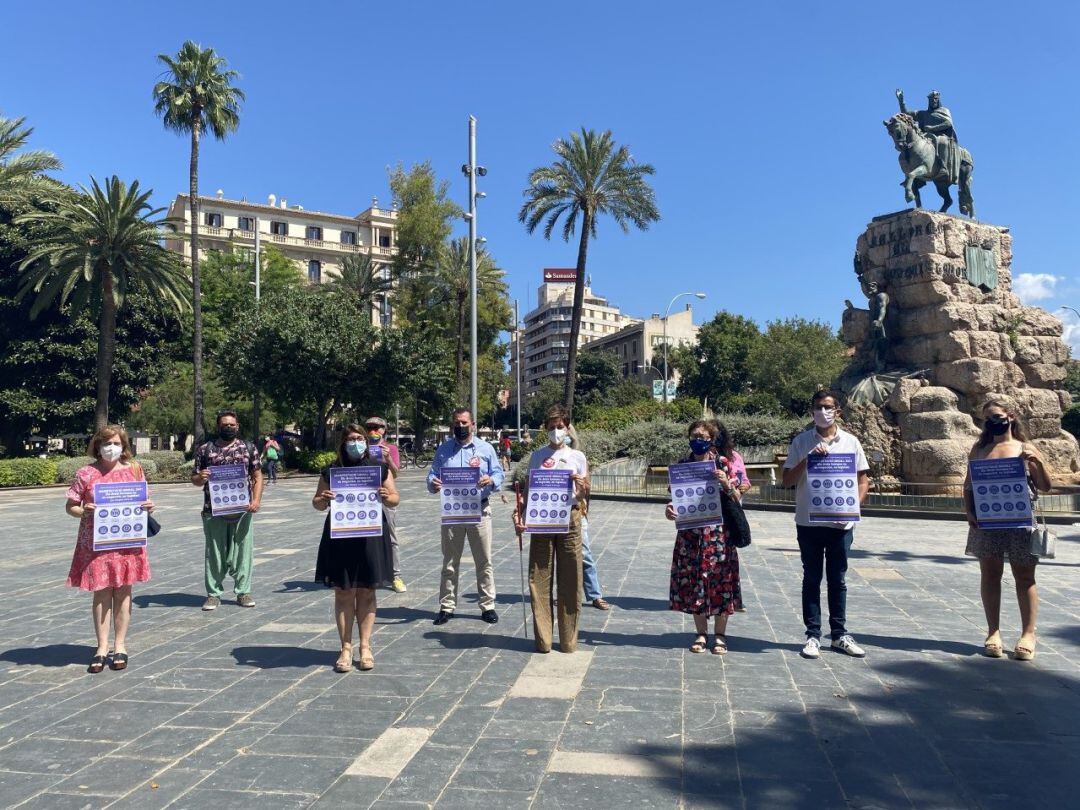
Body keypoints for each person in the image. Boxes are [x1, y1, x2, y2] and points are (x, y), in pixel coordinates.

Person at [782, 390, 870, 659]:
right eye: (818, 407)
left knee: (838, 579)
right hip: (809, 522)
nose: (823, 411)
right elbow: (786, 481)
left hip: (841, 523)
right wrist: (807, 459)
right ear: (812, 411)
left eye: (827, 407)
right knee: (811, 578)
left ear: (838, 411)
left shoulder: (851, 442)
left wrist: (854, 506)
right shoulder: (801, 441)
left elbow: (863, 480)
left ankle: (840, 634)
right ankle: (812, 635)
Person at [963, 400, 1052, 661]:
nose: (992, 422)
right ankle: (993, 631)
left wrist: (1036, 461)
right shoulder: (980, 448)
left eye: (996, 416)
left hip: (1020, 520)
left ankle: (1028, 634)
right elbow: (969, 484)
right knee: (990, 574)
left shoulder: (1025, 448)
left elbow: (1046, 486)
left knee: (1025, 577)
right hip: (987, 521)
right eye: (986, 418)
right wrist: (969, 511)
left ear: (1010, 417)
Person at [65, 425, 154, 673]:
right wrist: (83, 511)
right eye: (106, 443)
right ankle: (101, 647)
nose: (111, 448)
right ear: (97, 446)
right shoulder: (86, 473)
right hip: (96, 542)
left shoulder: (134, 471)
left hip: (127, 542)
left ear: (124, 446)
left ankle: (120, 645)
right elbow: (70, 505)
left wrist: (148, 506)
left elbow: (145, 501)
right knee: (101, 593)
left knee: (124, 592)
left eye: (115, 443)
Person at [312, 424, 399, 672]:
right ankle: (346, 647)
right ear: (343, 442)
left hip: (370, 535)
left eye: (360, 438)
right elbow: (316, 503)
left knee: (368, 591)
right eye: (351, 439)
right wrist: (323, 499)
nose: (356, 442)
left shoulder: (378, 468)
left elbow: (395, 499)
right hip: (341, 536)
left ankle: (366, 646)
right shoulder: (332, 470)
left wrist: (385, 495)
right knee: (343, 592)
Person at [514, 405, 589, 653]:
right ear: (545, 429)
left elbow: (584, 493)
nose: (556, 431)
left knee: (571, 579)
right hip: (542, 522)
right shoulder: (537, 456)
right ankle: (543, 639)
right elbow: (527, 492)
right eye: (552, 427)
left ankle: (568, 640)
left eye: (560, 426)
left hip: (570, 519)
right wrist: (520, 515)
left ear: (567, 428)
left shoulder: (578, 457)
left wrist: (581, 488)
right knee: (540, 578)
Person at [665, 420, 742, 655]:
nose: (699, 439)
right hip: (691, 535)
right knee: (694, 582)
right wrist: (669, 510)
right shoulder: (682, 466)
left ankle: (719, 635)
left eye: (704, 436)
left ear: (712, 439)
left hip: (719, 535)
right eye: (695, 435)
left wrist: (726, 483)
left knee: (722, 581)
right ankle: (700, 633)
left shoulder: (722, 463)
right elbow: (674, 501)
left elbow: (737, 497)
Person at [428, 407, 504, 625]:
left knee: (484, 561)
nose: (460, 426)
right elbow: (433, 474)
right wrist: (433, 483)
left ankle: (487, 605)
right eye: (456, 422)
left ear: (473, 425)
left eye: (464, 422)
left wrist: (491, 479)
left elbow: (499, 472)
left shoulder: (485, 448)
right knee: (450, 562)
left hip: (479, 510)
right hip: (452, 512)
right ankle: (446, 606)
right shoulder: (443, 450)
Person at [192, 410, 263, 611]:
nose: (229, 427)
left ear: (238, 426)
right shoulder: (205, 449)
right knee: (214, 554)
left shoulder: (248, 448)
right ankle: (213, 594)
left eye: (232, 424)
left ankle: (243, 592)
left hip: (242, 510)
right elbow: (195, 479)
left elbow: (257, 476)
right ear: (218, 426)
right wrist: (201, 477)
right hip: (213, 511)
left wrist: (256, 500)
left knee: (243, 553)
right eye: (225, 424)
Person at [565, 429, 609, 610]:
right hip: (554, 512)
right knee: (563, 557)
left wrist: (580, 486)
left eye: (566, 431)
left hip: (576, 511)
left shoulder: (578, 457)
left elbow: (587, 487)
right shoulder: (548, 457)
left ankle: (594, 594)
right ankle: (565, 594)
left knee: (585, 554)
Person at [364, 416, 406, 593]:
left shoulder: (391, 448)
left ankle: (396, 575)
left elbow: (396, 473)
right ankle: (367, 573)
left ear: (384, 430)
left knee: (391, 536)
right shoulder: (362, 447)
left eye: (377, 427)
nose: (373, 430)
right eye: (369, 427)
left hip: (385, 495)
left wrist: (388, 459)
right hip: (364, 497)